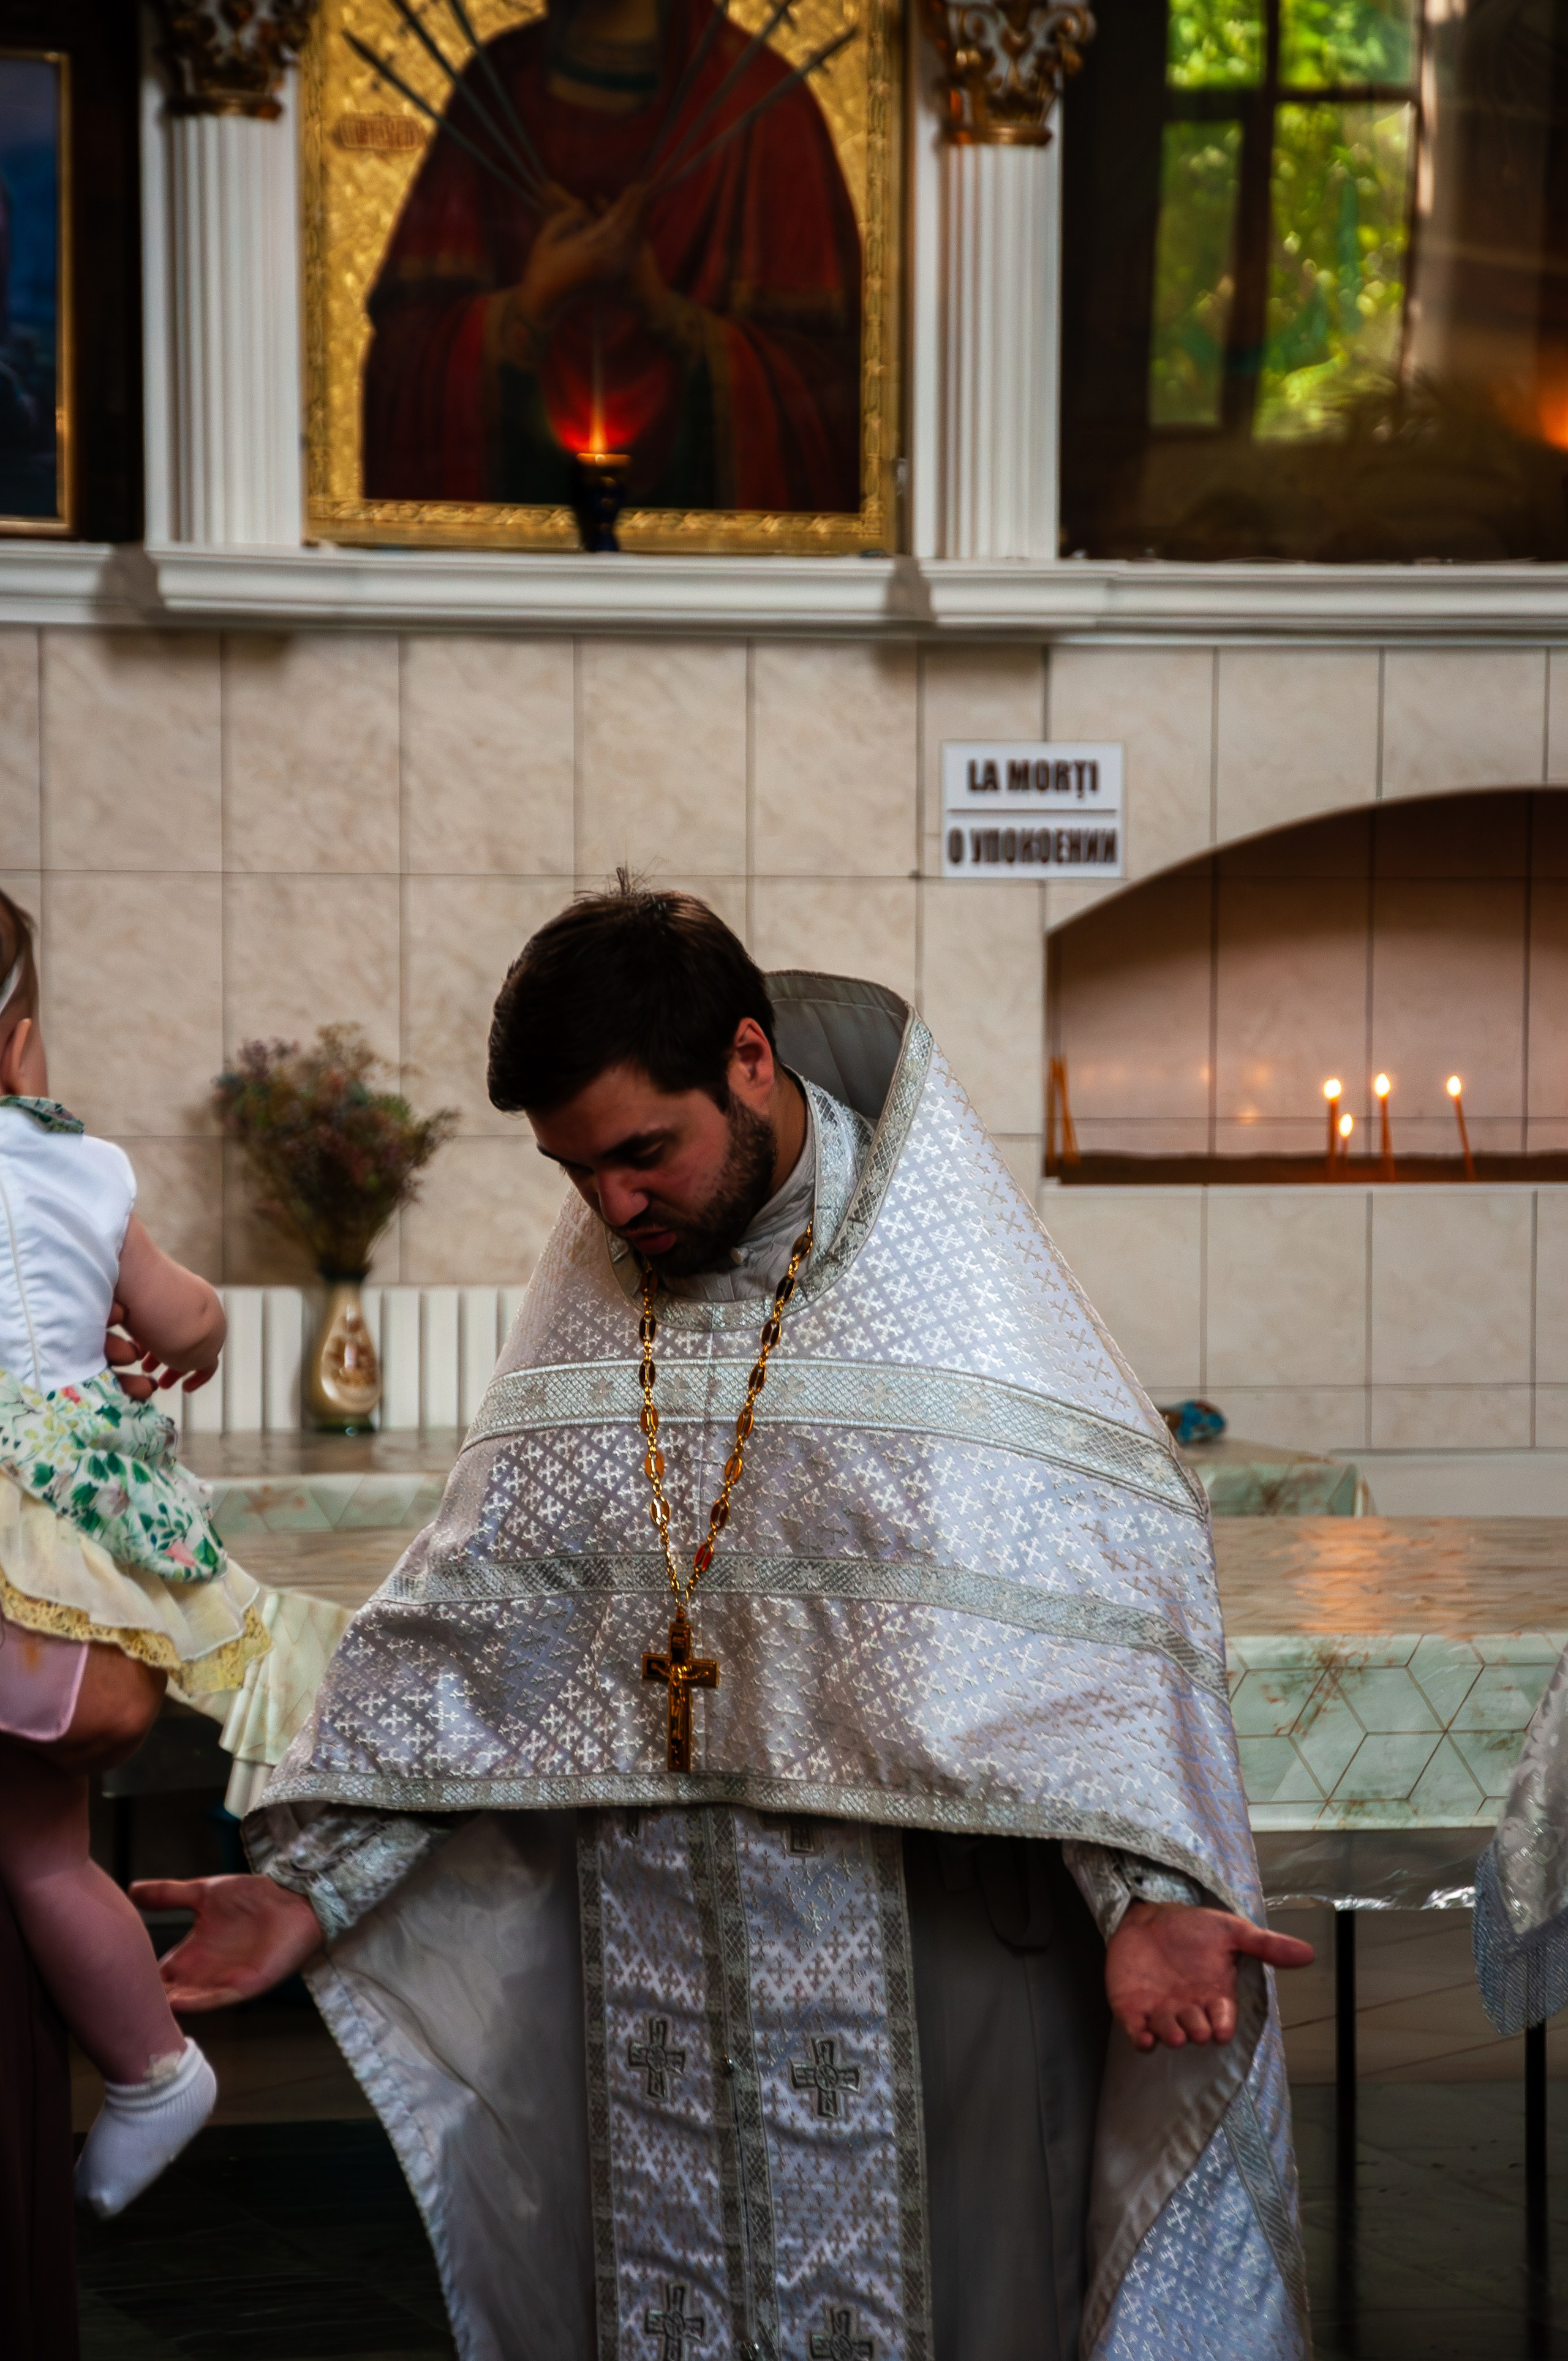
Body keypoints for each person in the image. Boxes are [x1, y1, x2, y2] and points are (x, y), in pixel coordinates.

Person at [140, 884, 1313, 2358]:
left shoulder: (941, 1296)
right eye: (575, 1173)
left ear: (750, 1061)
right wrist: (319, 1873)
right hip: (658, 1967)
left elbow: (1078, 1629)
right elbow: (483, 1613)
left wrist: (1142, 1897)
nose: (615, 1207)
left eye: (644, 1152)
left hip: (932, 1951)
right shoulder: (601, 1287)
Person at [0, 892, 268, 2220]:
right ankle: (152, 2066)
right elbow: (184, 1314)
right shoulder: (77, 1167)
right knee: (46, 1849)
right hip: (70, 1561)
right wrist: (189, 1340)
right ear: (20, 1048)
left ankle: (156, 2075)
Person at [362, 0, 862, 513]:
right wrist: (531, 305)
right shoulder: (493, 92)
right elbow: (401, 364)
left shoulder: (763, 105)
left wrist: (667, 316)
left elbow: (829, 396)